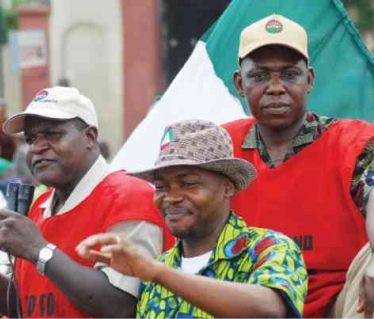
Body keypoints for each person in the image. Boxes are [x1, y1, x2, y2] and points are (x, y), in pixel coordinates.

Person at [0, 86, 174, 318]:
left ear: (89, 137)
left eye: (52, 134)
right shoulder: (41, 206)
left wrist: (40, 250)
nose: (37, 147)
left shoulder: (129, 197)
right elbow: (23, 305)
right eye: (30, 139)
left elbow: (120, 306)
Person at [221, 14, 374, 318]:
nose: (275, 88)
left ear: (310, 80)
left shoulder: (355, 142)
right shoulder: (221, 147)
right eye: (260, 76)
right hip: (247, 301)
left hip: (342, 302)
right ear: (240, 83)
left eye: (290, 74)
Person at [78, 120, 307, 318]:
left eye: (188, 184)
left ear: (227, 187)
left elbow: (269, 310)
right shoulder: (158, 267)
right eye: (161, 187)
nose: (172, 197)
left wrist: (157, 273)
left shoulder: (267, 248)